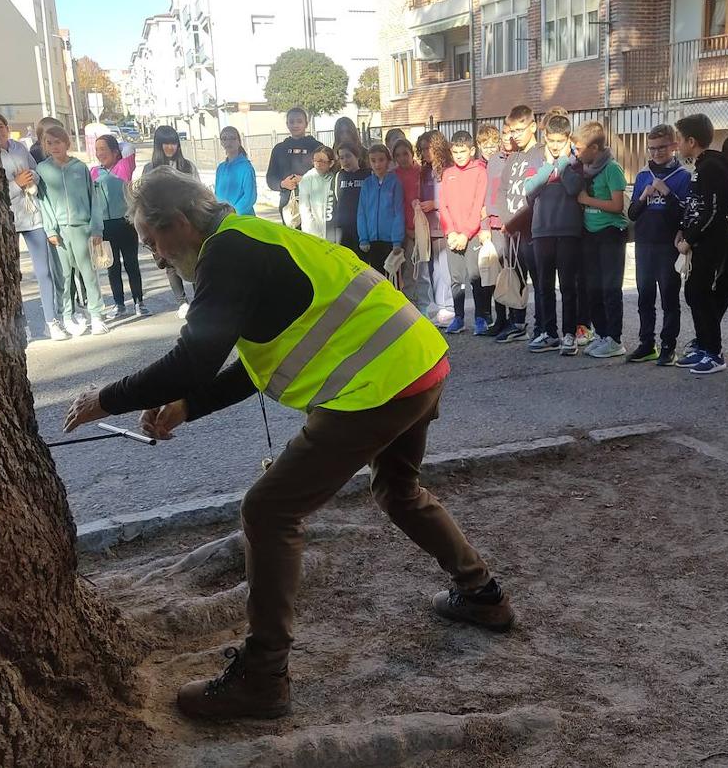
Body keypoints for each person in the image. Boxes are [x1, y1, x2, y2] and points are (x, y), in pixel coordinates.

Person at [61, 167, 515, 722]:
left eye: (153, 241)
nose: (154, 256)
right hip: (417, 361)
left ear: (179, 224)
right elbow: (264, 357)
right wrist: (188, 406)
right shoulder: (252, 238)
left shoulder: (225, 255)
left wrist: (105, 398)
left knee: (269, 510)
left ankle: (263, 676)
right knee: (399, 489)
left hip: (375, 387)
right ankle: (485, 596)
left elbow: (192, 360)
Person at [0, 111, 67, 340]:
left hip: (33, 215)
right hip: (8, 219)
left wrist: (31, 177)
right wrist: (15, 184)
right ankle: (20, 324)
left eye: (0, 126)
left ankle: (51, 321)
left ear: (7, 127)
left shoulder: (19, 148)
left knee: (44, 271)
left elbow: (37, 171)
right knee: (12, 274)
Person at [675, 113, 728, 374]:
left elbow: (712, 210)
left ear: (691, 140)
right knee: (693, 293)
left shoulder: (712, 166)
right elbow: (693, 205)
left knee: (700, 293)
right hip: (697, 242)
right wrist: (682, 230)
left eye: (678, 139)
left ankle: (714, 352)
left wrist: (690, 239)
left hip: (711, 243)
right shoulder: (700, 166)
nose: (677, 144)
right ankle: (703, 345)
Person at [627, 124, 690, 365]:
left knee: (669, 298)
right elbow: (632, 214)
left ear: (674, 146)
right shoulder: (643, 175)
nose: (656, 153)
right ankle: (646, 343)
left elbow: (684, 215)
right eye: (651, 148)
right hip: (644, 244)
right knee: (645, 296)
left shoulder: (683, 176)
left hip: (667, 246)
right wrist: (643, 196)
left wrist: (667, 194)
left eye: (661, 147)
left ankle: (668, 346)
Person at [36, 125, 108, 336]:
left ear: (66, 143)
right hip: (58, 231)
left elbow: (93, 198)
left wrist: (96, 228)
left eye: (58, 142)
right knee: (64, 277)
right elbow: (43, 201)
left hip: (83, 228)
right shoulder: (43, 169)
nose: (54, 146)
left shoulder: (80, 167)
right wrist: (50, 229)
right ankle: (67, 316)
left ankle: (96, 315)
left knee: (89, 273)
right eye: (49, 143)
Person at [568, 121, 629, 359]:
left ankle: (615, 339)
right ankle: (602, 334)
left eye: (580, 148)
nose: (576, 152)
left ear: (594, 148)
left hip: (610, 233)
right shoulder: (583, 168)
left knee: (610, 288)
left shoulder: (612, 168)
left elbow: (617, 205)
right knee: (592, 288)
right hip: (589, 234)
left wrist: (587, 201)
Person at [523, 114, 583, 354]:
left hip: (568, 231)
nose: (556, 145)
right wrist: (548, 165)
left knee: (568, 286)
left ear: (568, 139)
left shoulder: (575, 162)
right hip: (542, 231)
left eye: (560, 140)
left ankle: (569, 334)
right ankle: (549, 333)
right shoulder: (537, 160)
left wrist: (561, 163)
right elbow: (529, 190)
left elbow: (573, 187)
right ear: (544, 137)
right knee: (543, 285)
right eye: (552, 140)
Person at [498, 105, 547, 343]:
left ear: (533, 126)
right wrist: (507, 221)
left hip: (531, 231)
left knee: (539, 283)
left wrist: (518, 223)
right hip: (511, 232)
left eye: (520, 129)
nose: (514, 135)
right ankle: (517, 322)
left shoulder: (540, 154)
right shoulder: (513, 157)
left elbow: (538, 195)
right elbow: (504, 190)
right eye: (512, 130)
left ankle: (542, 328)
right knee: (515, 278)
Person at [144, 125, 200, 318]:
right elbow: (146, 199)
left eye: (174, 142)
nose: (170, 147)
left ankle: (199, 298)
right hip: (162, 224)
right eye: (166, 143)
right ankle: (182, 301)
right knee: (170, 262)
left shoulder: (187, 166)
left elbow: (198, 192)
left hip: (187, 221)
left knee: (194, 260)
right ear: (158, 145)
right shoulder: (150, 169)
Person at [438, 131, 491, 335]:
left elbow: (479, 204)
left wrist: (466, 233)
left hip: (472, 234)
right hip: (453, 235)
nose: (459, 155)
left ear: (472, 150)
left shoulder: (480, 172)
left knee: (475, 276)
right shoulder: (447, 173)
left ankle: (480, 317)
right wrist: (450, 231)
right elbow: (443, 205)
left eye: (463, 151)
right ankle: (458, 318)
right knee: (456, 278)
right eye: (455, 152)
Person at [93, 135, 148, 318]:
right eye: (97, 149)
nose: (100, 153)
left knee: (131, 264)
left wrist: (117, 148)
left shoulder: (124, 167)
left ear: (116, 152)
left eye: (104, 149)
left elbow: (129, 147)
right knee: (112, 266)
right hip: (104, 226)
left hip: (126, 223)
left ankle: (139, 301)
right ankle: (119, 304)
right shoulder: (93, 172)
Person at [477, 124, 516, 336]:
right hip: (494, 224)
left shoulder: (522, 158)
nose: (508, 137)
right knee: (498, 276)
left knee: (514, 275)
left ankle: (516, 321)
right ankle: (500, 319)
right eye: (505, 133)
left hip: (515, 225)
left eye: (512, 132)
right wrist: (484, 226)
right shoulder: (494, 161)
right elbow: (487, 195)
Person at [420, 131, 456, 327]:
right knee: (433, 267)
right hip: (428, 224)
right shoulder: (425, 171)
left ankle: (449, 307)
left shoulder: (448, 169)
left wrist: (435, 203)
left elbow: (452, 197)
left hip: (444, 223)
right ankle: (441, 304)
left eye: (428, 148)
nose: (425, 152)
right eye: (423, 149)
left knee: (445, 267)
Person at [393, 138, 432, 315]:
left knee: (422, 269)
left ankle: (423, 306)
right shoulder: (393, 176)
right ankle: (410, 306)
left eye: (405, 154)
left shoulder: (421, 172)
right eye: (398, 155)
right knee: (407, 271)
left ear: (412, 153)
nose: (402, 158)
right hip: (403, 229)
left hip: (421, 227)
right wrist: (405, 229)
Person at [266, 108, 324, 225]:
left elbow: (326, 175)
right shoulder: (279, 149)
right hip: (287, 204)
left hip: (313, 202)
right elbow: (270, 178)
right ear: (287, 124)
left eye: (299, 121)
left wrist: (304, 180)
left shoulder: (317, 147)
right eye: (291, 122)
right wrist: (282, 184)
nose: (295, 125)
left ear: (306, 124)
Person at [356, 144, 404, 274]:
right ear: (369, 162)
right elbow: (362, 213)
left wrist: (397, 240)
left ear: (388, 161)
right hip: (372, 241)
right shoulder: (367, 184)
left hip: (390, 241)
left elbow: (398, 212)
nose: (377, 164)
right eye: (373, 160)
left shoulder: (395, 182)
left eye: (381, 160)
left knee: (393, 279)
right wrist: (363, 238)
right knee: (377, 278)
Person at [333, 144, 371, 250]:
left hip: (363, 228)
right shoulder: (339, 176)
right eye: (342, 157)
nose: (345, 160)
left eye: (348, 156)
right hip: (344, 228)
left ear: (357, 156)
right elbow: (337, 200)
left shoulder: (367, 175)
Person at [215, 126, 257, 216]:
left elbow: (250, 197)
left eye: (232, 138)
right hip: (223, 218)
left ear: (239, 142)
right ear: (221, 143)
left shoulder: (246, 167)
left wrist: (233, 213)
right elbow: (217, 194)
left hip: (241, 219)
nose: (228, 142)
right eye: (224, 139)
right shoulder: (220, 168)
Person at [297, 146, 337, 241]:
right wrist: (315, 233)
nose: (318, 164)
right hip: (312, 234)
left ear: (331, 163)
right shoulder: (307, 178)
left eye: (322, 161)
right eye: (315, 161)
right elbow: (304, 209)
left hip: (331, 231)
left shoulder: (335, 177)